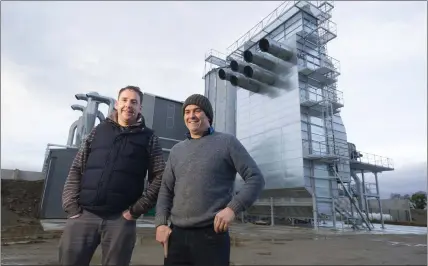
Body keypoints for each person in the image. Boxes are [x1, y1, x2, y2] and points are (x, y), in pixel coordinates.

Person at [59, 85, 166, 266]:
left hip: (121, 220)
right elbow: (77, 167)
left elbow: (160, 176)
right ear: (117, 104)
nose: (128, 105)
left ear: (140, 107)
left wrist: (136, 210)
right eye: (124, 100)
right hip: (84, 215)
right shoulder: (99, 130)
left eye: (134, 102)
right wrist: (71, 205)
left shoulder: (149, 138)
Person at [155, 94, 265, 266]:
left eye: (197, 111)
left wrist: (232, 209)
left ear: (208, 116)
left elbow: (256, 178)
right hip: (176, 235)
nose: (191, 115)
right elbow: (166, 190)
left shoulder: (227, 142)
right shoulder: (177, 150)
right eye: (187, 111)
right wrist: (161, 224)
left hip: (211, 236)